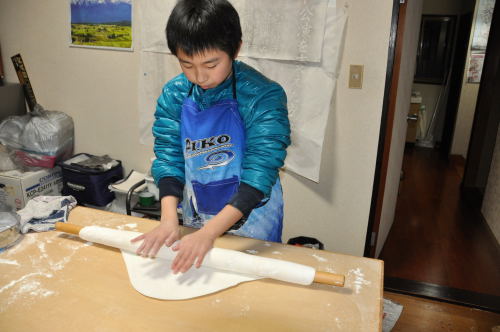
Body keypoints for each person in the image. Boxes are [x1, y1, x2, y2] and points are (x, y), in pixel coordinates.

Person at [132, 0, 290, 275]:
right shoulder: (175, 94)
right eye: (187, 64)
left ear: (235, 49)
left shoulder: (263, 96)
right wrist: (169, 219)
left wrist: (209, 233)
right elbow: (169, 157)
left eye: (211, 64)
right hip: (198, 212)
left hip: (253, 217)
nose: (199, 76)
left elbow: (260, 172)